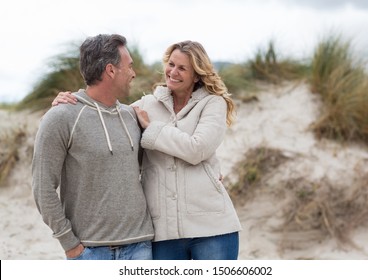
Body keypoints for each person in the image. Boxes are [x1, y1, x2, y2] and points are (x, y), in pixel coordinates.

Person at [52, 40, 242, 260]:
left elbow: (197, 149)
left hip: (212, 225)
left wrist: (152, 130)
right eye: (171, 64)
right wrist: (68, 103)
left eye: (182, 68)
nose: (173, 72)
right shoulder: (146, 105)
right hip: (164, 233)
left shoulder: (212, 103)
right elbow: (104, 115)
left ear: (197, 75)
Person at [32, 34, 154, 260]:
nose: (134, 73)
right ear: (110, 70)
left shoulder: (132, 116)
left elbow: (155, 168)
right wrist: (70, 244)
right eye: (129, 67)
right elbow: (43, 186)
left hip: (140, 246)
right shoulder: (61, 116)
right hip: (90, 251)